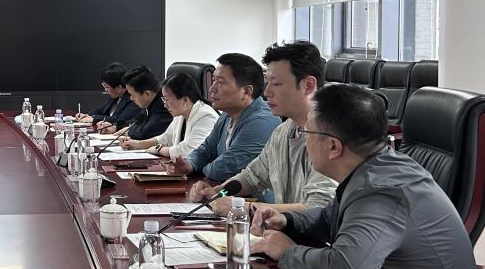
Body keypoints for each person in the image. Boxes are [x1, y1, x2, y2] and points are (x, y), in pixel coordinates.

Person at [249, 85, 485, 269]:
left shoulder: (382, 190)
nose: (303, 142)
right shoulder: (376, 167)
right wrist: (287, 221)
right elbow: (329, 217)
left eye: (306, 133)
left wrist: (286, 252)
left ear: (333, 146)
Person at [188, 41, 337, 215]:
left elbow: (319, 208)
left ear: (308, 85)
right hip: (282, 230)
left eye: (276, 84)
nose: (266, 92)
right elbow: (251, 177)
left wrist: (245, 208)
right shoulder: (283, 131)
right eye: (267, 83)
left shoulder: (330, 136)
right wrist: (217, 192)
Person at [169, 53, 279, 182]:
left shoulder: (262, 122)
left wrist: (201, 167)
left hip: (252, 195)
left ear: (246, 91)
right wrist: (189, 165)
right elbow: (205, 150)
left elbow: (222, 170)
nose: (211, 89)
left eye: (220, 82)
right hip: (224, 191)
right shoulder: (227, 115)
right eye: (213, 80)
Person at [121, 73, 218, 162]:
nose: (165, 105)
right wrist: (139, 144)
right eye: (163, 99)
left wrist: (158, 149)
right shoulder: (181, 113)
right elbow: (165, 138)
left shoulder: (205, 116)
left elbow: (188, 151)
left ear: (185, 100)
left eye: (167, 100)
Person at [73, 62, 140, 132]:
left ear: (119, 87)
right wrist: (86, 115)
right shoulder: (115, 97)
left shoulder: (133, 99)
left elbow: (121, 119)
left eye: (107, 87)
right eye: (104, 86)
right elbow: (100, 110)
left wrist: (94, 118)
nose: (105, 90)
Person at [115, 66, 173, 140]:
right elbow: (137, 122)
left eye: (133, 95)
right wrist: (115, 127)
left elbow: (146, 132)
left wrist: (128, 130)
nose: (131, 98)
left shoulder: (164, 105)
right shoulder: (150, 102)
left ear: (147, 94)